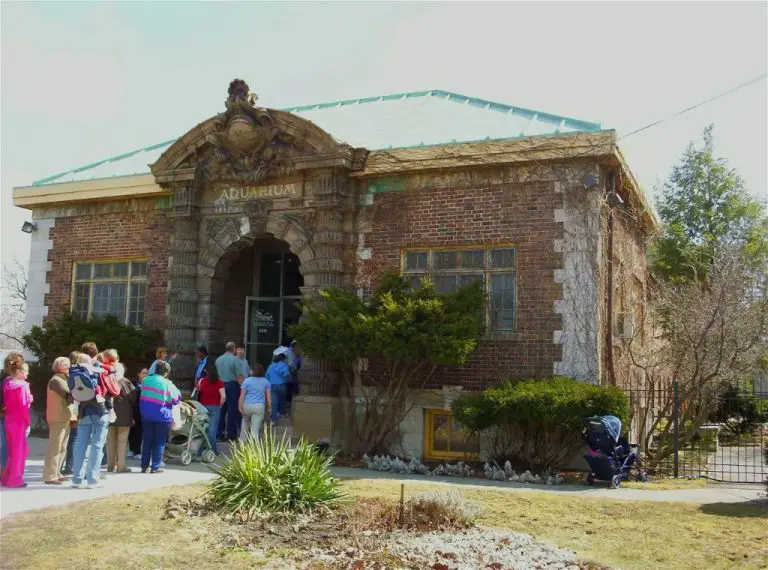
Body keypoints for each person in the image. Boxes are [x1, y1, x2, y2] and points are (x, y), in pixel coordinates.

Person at [69, 352, 110, 488]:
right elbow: (111, 378)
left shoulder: (73, 374)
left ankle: (76, 479)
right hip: (99, 411)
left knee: (80, 446)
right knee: (97, 446)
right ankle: (92, 479)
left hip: (83, 412)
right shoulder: (95, 372)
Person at [139, 361, 180, 473]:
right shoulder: (168, 384)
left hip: (146, 414)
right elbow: (176, 400)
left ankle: (144, 466)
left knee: (147, 440)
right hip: (162, 416)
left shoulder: (146, 380)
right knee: (159, 441)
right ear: (166, 373)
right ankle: (155, 467)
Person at [1, 355, 33, 488]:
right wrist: (28, 422)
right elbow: (23, 406)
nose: (27, 373)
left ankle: (7, 477)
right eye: (25, 371)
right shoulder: (23, 386)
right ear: (19, 372)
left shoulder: (7, 382)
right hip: (19, 421)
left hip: (9, 419)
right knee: (20, 451)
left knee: (12, 450)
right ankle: (15, 479)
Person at [43, 356, 72, 485]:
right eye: (65, 364)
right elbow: (68, 395)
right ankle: (50, 475)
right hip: (57, 417)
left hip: (64, 417)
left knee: (62, 447)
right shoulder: (56, 380)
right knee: (55, 447)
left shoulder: (64, 379)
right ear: (58, 366)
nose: (68, 367)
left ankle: (57, 472)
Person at [106, 363, 137, 473]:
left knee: (110, 442)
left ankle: (110, 466)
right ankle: (121, 466)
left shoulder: (107, 380)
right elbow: (133, 398)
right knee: (122, 442)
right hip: (124, 417)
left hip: (109, 415)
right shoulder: (125, 382)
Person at [215, 342, 244, 441]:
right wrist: (243, 388)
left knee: (221, 410)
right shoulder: (235, 360)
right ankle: (231, 435)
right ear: (234, 349)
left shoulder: (218, 359)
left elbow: (216, 374)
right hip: (232, 385)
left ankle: (219, 433)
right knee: (232, 410)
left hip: (220, 385)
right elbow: (239, 376)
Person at [195, 361, 225, 456]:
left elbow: (197, 392)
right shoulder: (220, 382)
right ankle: (213, 451)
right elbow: (223, 396)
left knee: (202, 430)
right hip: (215, 407)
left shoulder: (202, 381)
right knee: (212, 430)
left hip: (202, 407)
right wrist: (220, 405)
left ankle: (200, 451)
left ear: (206, 371)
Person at [238, 364, 271, 441]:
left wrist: (239, 406)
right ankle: (253, 448)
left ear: (252, 371)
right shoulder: (266, 382)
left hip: (247, 405)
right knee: (255, 429)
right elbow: (268, 398)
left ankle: (242, 445)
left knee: (244, 425)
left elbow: (242, 395)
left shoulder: (246, 381)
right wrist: (269, 408)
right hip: (259, 407)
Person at [265, 351, 291, 425]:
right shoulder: (284, 365)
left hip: (272, 386)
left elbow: (266, 376)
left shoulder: (270, 366)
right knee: (283, 398)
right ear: (283, 359)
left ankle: (273, 420)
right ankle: (282, 413)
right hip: (282, 385)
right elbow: (286, 377)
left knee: (274, 403)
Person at [128, 367, 148, 459]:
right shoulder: (134, 383)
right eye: (143, 373)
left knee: (139, 431)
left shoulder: (149, 384)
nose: (145, 375)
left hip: (143, 409)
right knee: (132, 430)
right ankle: (132, 450)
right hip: (134, 409)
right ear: (139, 374)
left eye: (147, 373)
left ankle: (137, 451)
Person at [284, 341, 302, 414]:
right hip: (291, 373)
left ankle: (289, 403)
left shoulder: (292, 352)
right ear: (294, 346)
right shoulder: (290, 352)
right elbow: (291, 364)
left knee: (291, 388)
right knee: (291, 388)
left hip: (292, 374)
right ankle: (289, 405)